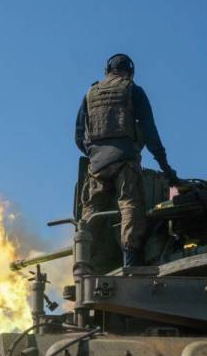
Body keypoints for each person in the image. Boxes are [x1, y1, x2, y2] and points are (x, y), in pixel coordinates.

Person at [74, 53, 179, 267]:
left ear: (107, 70)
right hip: (125, 160)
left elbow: (78, 135)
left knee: (91, 211)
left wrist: (95, 152)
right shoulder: (133, 90)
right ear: (129, 72)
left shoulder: (90, 93)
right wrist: (166, 168)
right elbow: (150, 132)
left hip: (96, 165)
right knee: (130, 205)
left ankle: (83, 261)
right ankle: (130, 259)